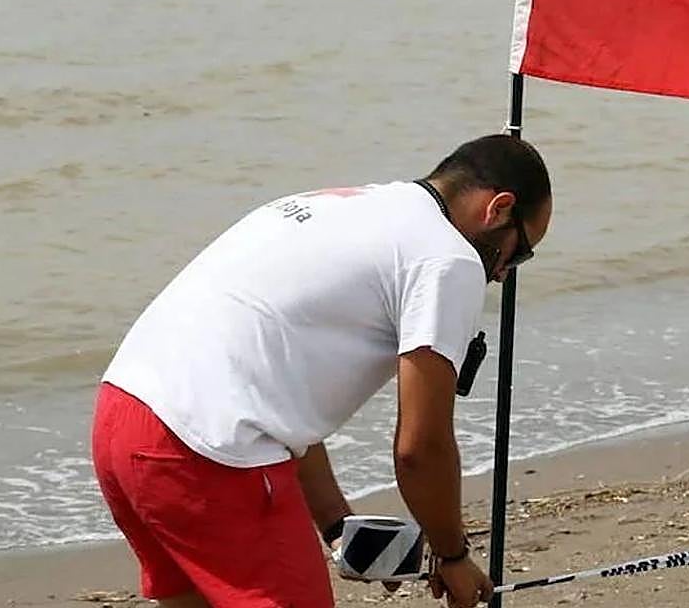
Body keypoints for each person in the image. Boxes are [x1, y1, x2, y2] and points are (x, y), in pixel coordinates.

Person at [91, 134, 552, 608]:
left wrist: (336, 524)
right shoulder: (448, 259)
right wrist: (452, 556)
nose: (502, 275)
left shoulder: (350, 205)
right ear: (498, 209)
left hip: (123, 417)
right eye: (518, 254)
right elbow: (420, 448)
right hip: (207, 449)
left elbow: (270, 382)